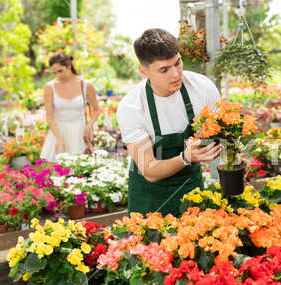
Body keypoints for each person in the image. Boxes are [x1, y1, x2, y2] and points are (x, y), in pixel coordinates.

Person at [117, 28, 222, 217]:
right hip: (149, 196)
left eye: (178, 63)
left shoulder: (202, 87)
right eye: (164, 70)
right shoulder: (131, 107)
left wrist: (235, 157)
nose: (175, 74)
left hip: (191, 188)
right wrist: (186, 158)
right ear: (144, 72)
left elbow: (221, 135)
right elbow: (149, 170)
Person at [40, 52, 100, 167]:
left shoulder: (86, 84)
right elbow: (49, 116)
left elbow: (96, 110)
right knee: (54, 174)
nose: (58, 75)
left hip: (80, 132)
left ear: (68, 65)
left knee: (81, 172)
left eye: (60, 71)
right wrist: (58, 137)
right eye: (54, 72)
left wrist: (89, 125)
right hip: (58, 132)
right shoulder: (50, 86)